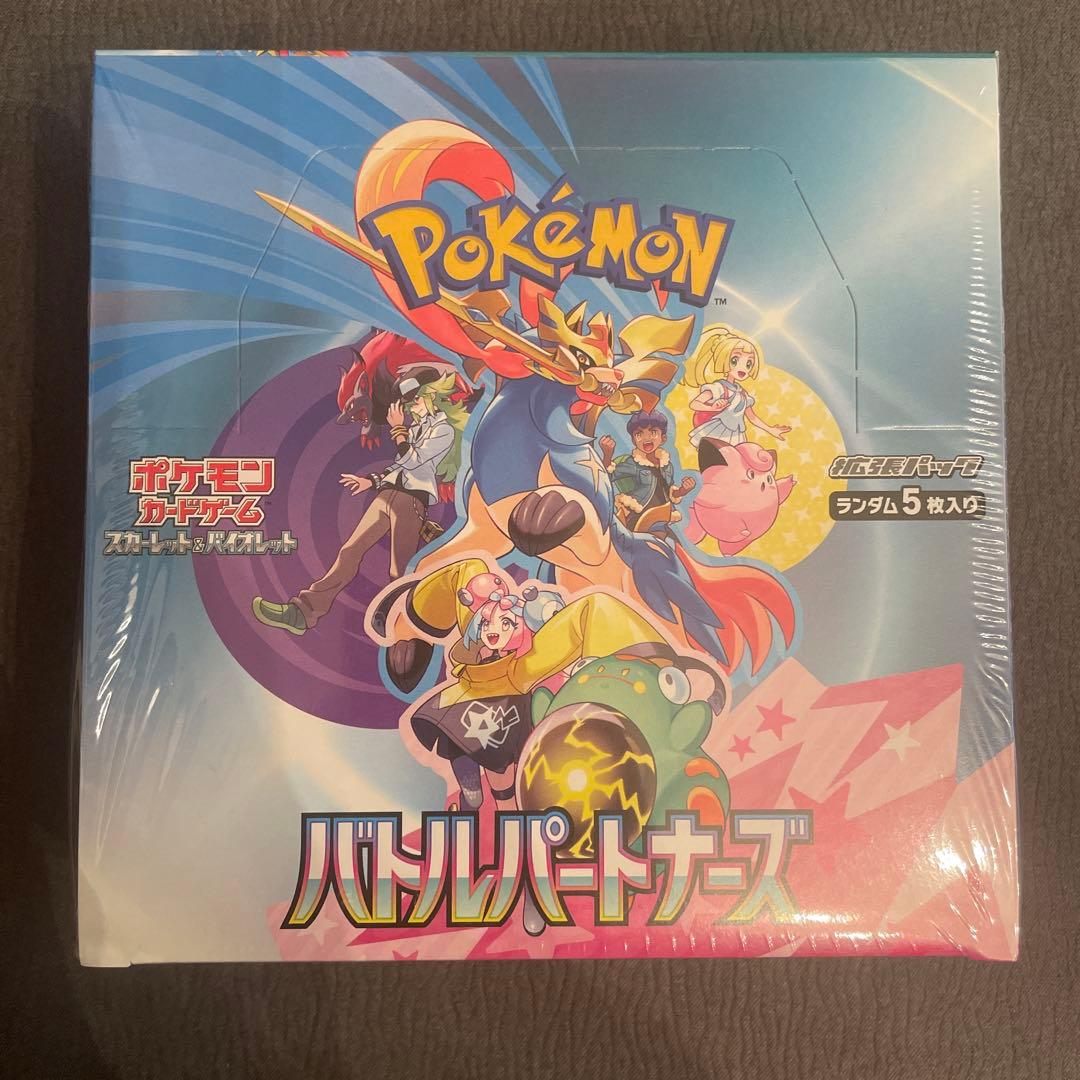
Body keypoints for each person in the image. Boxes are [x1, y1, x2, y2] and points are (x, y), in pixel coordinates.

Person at [252, 372, 466, 635]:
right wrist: (371, 481)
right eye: (408, 403)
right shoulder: (417, 429)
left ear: (430, 396)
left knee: (399, 570)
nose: (410, 408)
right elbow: (400, 468)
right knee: (350, 551)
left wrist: (398, 430)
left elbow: (414, 460)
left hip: (411, 502)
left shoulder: (444, 430)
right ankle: (303, 612)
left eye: (415, 402)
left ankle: (408, 629)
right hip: (388, 495)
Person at [682, 325, 792, 446]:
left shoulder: (743, 394)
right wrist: (712, 407)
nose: (743, 368)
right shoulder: (719, 388)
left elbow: (752, 417)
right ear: (723, 359)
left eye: (748, 364)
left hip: (736, 435)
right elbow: (694, 404)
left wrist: (770, 429)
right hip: (716, 431)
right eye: (735, 360)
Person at [598, 410, 695, 534]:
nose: (646, 438)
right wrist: (607, 455)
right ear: (634, 441)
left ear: (663, 438)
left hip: (660, 515)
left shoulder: (667, 466)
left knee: (672, 543)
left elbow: (669, 492)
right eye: (639, 434)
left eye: (653, 432)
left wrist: (683, 490)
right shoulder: (634, 463)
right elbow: (607, 476)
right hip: (641, 515)